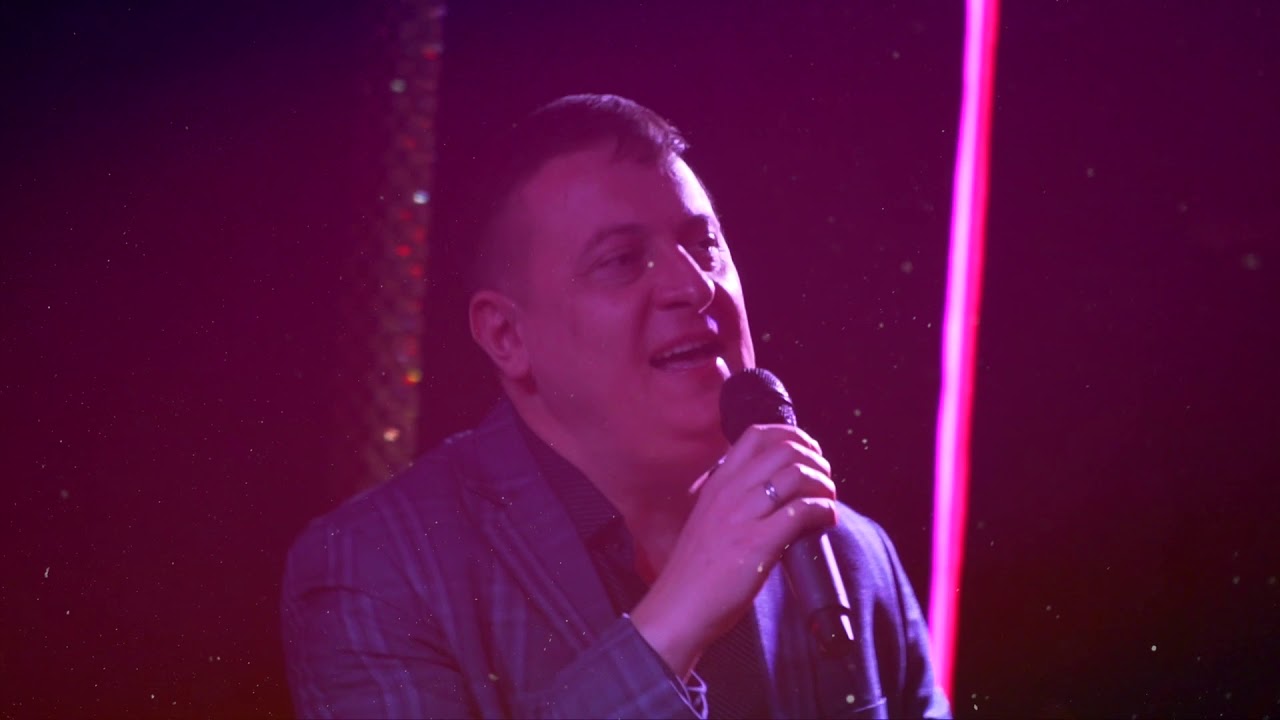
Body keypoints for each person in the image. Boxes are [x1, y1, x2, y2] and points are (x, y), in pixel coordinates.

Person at [281, 94, 951, 719]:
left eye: (704, 244)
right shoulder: (377, 572)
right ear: (507, 336)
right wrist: (677, 618)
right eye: (623, 260)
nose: (694, 285)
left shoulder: (850, 554)